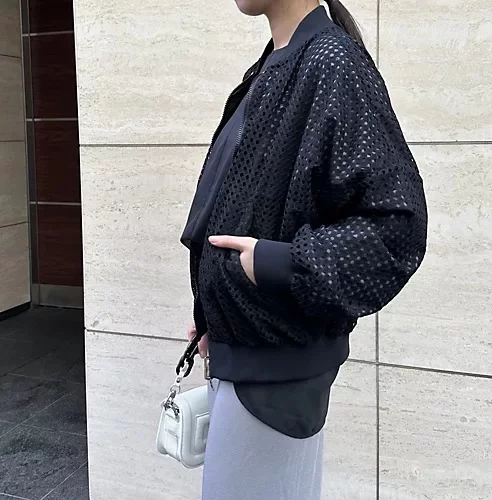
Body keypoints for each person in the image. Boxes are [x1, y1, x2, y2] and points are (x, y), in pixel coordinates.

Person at [180, 0, 428, 498]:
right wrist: (215, 314)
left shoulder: (331, 60)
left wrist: (277, 264)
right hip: (245, 361)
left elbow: (397, 227)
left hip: (276, 378)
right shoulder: (274, 65)